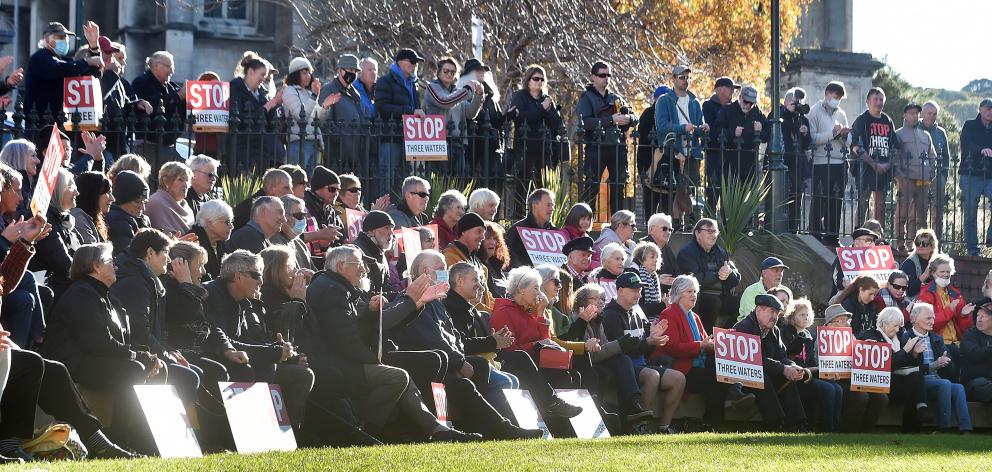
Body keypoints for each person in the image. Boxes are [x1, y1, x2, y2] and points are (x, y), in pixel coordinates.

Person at [301, 245, 482, 443]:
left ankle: (435, 428)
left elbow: (370, 325)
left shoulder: (343, 288)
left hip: (351, 357)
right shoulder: (331, 290)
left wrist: (413, 303)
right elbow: (346, 338)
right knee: (401, 373)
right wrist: (410, 301)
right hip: (337, 363)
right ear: (341, 266)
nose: (363, 270)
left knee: (428, 363)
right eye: (359, 264)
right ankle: (367, 428)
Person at [392, 251, 544, 439]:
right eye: (441, 269)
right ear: (425, 271)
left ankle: (495, 426)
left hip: (444, 360)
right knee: (467, 380)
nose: (445, 274)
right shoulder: (414, 301)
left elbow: (453, 337)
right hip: (426, 365)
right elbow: (431, 339)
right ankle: (499, 428)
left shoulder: (436, 302)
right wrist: (458, 362)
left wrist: (460, 359)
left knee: (480, 366)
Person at [43, 243, 171, 450]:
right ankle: (118, 439)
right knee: (134, 369)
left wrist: (144, 355)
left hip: (94, 358)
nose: (116, 267)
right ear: (96, 266)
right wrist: (137, 356)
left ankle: (147, 441)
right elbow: (98, 343)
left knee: (158, 366)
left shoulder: (104, 294)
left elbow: (118, 340)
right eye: (111, 262)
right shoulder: (81, 294)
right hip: (74, 363)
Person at [204, 250, 314, 431]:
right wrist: (272, 353)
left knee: (302, 373)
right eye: (256, 276)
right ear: (238, 276)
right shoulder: (212, 295)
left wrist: (282, 351)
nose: (261, 282)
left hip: (240, 358)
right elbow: (222, 340)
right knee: (260, 366)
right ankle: (255, 433)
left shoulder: (245, 301)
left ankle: (291, 437)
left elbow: (252, 340)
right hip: (215, 357)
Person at [109, 228, 203, 404]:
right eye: (166, 253)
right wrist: (166, 354)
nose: (168, 260)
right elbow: (139, 333)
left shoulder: (147, 279)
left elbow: (154, 330)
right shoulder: (134, 283)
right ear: (150, 253)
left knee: (195, 372)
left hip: (150, 351)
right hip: (136, 355)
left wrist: (168, 350)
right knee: (190, 377)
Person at [653, 275, 751, 428]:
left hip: (699, 364)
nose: (694, 295)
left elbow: (706, 342)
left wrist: (716, 343)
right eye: (689, 291)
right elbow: (672, 347)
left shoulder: (695, 317)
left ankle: (733, 393)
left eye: (695, 291)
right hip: (681, 367)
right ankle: (714, 421)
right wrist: (701, 346)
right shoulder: (669, 313)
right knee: (715, 378)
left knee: (721, 368)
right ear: (678, 293)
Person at [488, 266, 585, 420]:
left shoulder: (529, 311)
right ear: (521, 289)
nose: (540, 293)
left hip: (532, 360)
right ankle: (552, 402)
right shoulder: (504, 312)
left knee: (569, 374)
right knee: (526, 360)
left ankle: (566, 422)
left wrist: (540, 313)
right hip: (513, 361)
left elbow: (546, 343)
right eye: (535, 288)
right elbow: (510, 348)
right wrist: (535, 345)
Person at [598, 272, 685, 434]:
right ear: (620, 290)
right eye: (633, 290)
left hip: (641, 363)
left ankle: (664, 427)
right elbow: (623, 350)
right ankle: (639, 425)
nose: (638, 294)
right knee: (652, 376)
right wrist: (650, 341)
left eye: (639, 290)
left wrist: (655, 340)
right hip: (624, 368)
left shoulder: (638, 311)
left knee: (678, 378)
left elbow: (646, 346)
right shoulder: (610, 315)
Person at [733, 294, 808, 431]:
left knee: (787, 377)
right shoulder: (744, 327)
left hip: (765, 371)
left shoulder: (774, 330)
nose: (775, 316)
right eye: (771, 312)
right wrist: (783, 368)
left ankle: (796, 422)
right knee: (763, 376)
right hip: (742, 377)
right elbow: (753, 360)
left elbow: (782, 356)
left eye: (777, 313)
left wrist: (792, 366)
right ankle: (775, 421)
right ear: (758, 311)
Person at [855, 307, 931, 432]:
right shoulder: (870, 335)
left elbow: (909, 364)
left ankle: (913, 426)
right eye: (895, 326)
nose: (897, 330)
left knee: (915, 378)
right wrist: (905, 350)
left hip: (895, 382)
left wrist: (915, 354)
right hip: (878, 384)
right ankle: (920, 409)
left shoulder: (898, 338)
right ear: (884, 323)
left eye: (899, 327)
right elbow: (887, 363)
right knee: (912, 384)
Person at [900, 303, 972, 433]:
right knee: (945, 384)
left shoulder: (936, 338)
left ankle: (966, 429)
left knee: (959, 387)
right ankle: (944, 428)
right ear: (914, 319)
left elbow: (948, 366)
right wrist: (928, 362)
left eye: (933, 318)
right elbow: (908, 366)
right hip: (919, 382)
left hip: (937, 378)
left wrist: (946, 360)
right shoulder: (906, 337)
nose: (932, 321)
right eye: (928, 318)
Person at [577, 61, 636, 215]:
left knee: (618, 186)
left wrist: (627, 118)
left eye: (608, 75)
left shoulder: (615, 97)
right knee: (592, 186)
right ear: (593, 77)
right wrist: (611, 120)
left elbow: (635, 117)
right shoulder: (586, 98)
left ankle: (619, 223)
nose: (606, 78)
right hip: (596, 147)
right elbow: (585, 122)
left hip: (617, 148)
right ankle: (585, 221)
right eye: (602, 75)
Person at [654, 65, 707, 224]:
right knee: (675, 189)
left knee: (688, 189)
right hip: (673, 151)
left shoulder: (695, 101)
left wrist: (703, 129)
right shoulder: (664, 100)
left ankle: (683, 222)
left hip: (691, 152)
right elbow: (661, 126)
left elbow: (698, 127)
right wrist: (682, 128)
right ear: (674, 79)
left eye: (687, 78)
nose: (685, 81)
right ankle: (681, 221)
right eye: (682, 77)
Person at [780, 299, 843, 432]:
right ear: (792, 316)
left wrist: (824, 372)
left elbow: (811, 363)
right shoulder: (785, 333)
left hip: (808, 374)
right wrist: (818, 370)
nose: (806, 317)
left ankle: (835, 428)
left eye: (807, 314)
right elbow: (785, 358)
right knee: (829, 389)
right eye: (802, 314)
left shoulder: (808, 336)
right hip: (794, 377)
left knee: (837, 388)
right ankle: (826, 429)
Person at [23, 21, 102, 120]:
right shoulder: (40, 57)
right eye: (60, 37)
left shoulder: (65, 61)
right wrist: (86, 62)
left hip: (59, 123)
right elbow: (57, 69)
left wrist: (94, 45)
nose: (65, 40)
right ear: (47, 38)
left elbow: (93, 73)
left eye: (66, 37)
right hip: (39, 126)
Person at [374, 48, 426, 198]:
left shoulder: (413, 84)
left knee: (403, 178)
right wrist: (410, 111)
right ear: (400, 62)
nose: (415, 65)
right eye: (411, 62)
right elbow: (381, 107)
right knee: (387, 179)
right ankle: (384, 209)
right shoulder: (385, 81)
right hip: (391, 136)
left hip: (408, 138)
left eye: (416, 63)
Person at [806, 81, 851, 246]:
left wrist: (844, 135)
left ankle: (832, 236)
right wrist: (832, 134)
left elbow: (849, 141)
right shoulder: (813, 112)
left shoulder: (841, 113)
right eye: (834, 97)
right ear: (826, 94)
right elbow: (811, 139)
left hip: (839, 161)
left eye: (839, 98)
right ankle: (815, 233)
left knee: (836, 199)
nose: (836, 100)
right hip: (821, 161)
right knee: (820, 198)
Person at [423, 57, 484, 176]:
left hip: (458, 143)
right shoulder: (432, 87)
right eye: (446, 71)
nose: (449, 74)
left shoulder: (457, 91)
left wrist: (478, 96)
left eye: (452, 72)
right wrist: (467, 89)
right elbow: (444, 102)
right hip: (438, 143)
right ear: (439, 72)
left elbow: (470, 113)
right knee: (441, 182)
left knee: (457, 183)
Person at [676, 218, 739, 330]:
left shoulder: (721, 252)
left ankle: (725, 334)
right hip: (698, 296)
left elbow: (736, 279)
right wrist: (718, 275)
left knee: (740, 304)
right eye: (709, 231)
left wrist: (729, 273)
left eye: (715, 232)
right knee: (713, 302)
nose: (713, 235)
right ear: (697, 233)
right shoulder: (687, 252)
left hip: (721, 294)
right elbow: (694, 279)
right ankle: (706, 337)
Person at [508, 65, 565, 187]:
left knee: (545, 186)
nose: (539, 82)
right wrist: (541, 109)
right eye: (536, 78)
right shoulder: (519, 96)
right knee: (523, 186)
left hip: (544, 148)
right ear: (528, 80)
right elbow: (519, 118)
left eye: (542, 79)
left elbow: (557, 123)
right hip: (525, 147)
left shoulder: (546, 99)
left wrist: (547, 110)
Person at [850, 87, 899, 224]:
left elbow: (895, 147)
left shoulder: (887, 121)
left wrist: (887, 164)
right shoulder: (861, 121)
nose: (879, 102)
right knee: (863, 205)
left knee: (880, 207)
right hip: (865, 169)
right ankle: (859, 237)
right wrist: (873, 164)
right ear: (868, 102)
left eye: (881, 99)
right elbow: (856, 147)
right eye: (876, 99)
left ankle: (878, 238)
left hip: (884, 170)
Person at [228, 51, 285, 170]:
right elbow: (239, 119)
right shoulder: (235, 88)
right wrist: (267, 106)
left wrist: (275, 103)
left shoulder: (262, 94)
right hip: (243, 148)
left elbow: (270, 124)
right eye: (262, 74)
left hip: (261, 149)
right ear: (250, 72)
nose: (263, 79)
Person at [29, 168, 78, 301]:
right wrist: (90, 276)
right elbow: (62, 263)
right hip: (57, 291)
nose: (77, 192)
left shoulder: (63, 217)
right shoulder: (44, 219)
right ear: (57, 189)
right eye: (70, 186)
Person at [916, 254, 974, 366]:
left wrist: (963, 315)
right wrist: (950, 310)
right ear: (933, 273)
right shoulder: (926, 294)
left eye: (948, 271)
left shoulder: (955, 293)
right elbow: (930, 324)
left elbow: (965, 328)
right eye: (942, 271)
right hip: (939, 345)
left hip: (957, 344)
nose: (946, 274)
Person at [893, 103, 937, 250]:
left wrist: (931, 173)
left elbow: (932, 156)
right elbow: (895, 157)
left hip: (923, 180)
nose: (914, 116)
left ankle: (919, 244)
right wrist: (900, 177)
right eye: (911, 113)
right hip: (906, 179)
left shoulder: (925, 135)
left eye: (916, 113)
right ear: (905, 115)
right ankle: (899, 243)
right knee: (902, 213)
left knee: (921, 215)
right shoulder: (898, 134)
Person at [131, 50, 186, 163]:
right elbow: (154, 104)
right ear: (155, 65)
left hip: (167, 144)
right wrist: (178, 96)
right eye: (168, 66)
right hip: (148, 144)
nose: (172, 71)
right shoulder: (141, 82)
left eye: (172, 68)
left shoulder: (170, 86)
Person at [712, 85, 769, 189]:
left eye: (751, 103)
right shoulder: (727, 110)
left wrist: (760, 131)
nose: (748, 105)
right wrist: (732, 132)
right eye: (746, 101)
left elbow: (767, 135)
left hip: (750, 163)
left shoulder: (757, 113)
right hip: (730, 162)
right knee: (730, 196)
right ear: (740, 97)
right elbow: (717, 132)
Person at [459, 59, 508, 179]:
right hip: (472, 145)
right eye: (478, 70)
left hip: (490, 145)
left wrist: (508, 115)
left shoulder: (490, 95)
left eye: (483, 70)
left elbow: (496, 121)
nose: (482, 72)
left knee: (490, 178)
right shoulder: (461, 91)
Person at [319, 54, 367, 171]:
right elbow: (323, 119)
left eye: (355, 70)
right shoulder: (329, 90)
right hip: (336, 154)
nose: (353, 73)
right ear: (340, 71)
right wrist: (340, 137)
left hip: (354, 152)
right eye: (350, 70)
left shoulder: (355, 94)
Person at [774, 87, 812, 231]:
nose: (797, 105)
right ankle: (778, 227)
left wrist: (805, 133)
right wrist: (788, 111)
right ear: (787, 101)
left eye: (799, 102)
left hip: (798, 164)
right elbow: (781, 127)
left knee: (796, 196)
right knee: (780, 195)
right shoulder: (780, 115)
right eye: (794, 102)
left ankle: (793, 227)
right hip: (783, 161)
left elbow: (807, 145)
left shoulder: (804, 120)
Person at [443, 212, 495, 311]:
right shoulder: (449, 258)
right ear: (463, 232)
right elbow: (464, 296)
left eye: (483, 233)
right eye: (478, 231)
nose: (482, 237)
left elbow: (487, 297)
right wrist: (489, 315)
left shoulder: (479, 263)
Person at [960, 98, 992, 256]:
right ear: (980, 109)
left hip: (990, 175)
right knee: (970, 212)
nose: (990, 111)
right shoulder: (970, 125)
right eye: (987, 108)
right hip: (970, 174)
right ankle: (972, 249)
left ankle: (991, 237)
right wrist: (982, 150)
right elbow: (966, 144)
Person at [281, 56, 325, 172]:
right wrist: (314, 96)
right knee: (297, 179)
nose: (308, 76)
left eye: (309, 73)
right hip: (298, 143)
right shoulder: (290, 91)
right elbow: (301, 116)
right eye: (304, 72)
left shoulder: (309, 93)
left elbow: (317, 118)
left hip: (314, 142)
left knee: (311, 182)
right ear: (295, 74)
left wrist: (326, 106)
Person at [919, 101, 950, 239]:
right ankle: (919, 240)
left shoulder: (941, 132)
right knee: (920, 209)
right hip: (920, 176)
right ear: (922, 114)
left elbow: (947, 156)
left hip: (938, 176)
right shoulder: (915, 129)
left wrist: (944, 176)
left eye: (935, 114)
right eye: (929, 113)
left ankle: (937, 241)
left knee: (937, 211)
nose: (932, 116)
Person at [637, 85, 668, 221]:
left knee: (667, 199)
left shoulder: (670, 114)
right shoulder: (649, 113)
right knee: (650, 198)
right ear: (655, 99)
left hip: (666, 162)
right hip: (648, 160)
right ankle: (650, 225)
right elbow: (644, 137)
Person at [505, 188, 556, 268]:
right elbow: (510, 257)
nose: (552, 209)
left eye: (553, 205)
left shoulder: (555, 232)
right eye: (548, 205)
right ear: (534, 206)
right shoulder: (517, 230)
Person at [105, 170, 150, 255]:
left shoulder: (141, 219)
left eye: (145, 202)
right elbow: (131, 259)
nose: (143, 208)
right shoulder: (117, 223)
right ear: (123, 200)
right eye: (137, 202)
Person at [189, 199, 233, 280]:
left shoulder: (221, 243)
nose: (231, 226)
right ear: (210, 223)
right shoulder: (193, 243)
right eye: (227, 222)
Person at [146, 161, 194, 235]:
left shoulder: (187, 208)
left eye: (187, 180)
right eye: (180, 179)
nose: (185, 184)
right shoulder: (156, 203)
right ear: (166, 181)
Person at [273, 194, 317, 272]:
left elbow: (313, 271)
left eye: (304, 215)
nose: (303, 219)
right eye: (299, 215)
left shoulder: (298, 241)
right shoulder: (275, 244)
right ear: (285, 217)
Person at [641, 212, 680, 296]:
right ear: (651, 229)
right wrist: (657, 278)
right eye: (665, 228)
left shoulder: (667, 249)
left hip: (667, 295)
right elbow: (636, 273)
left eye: (670, 230)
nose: (668, 232)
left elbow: (676, 272)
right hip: (646, 296)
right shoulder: (642, 246)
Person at [961, 302, 992, 403]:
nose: (979, 319)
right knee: (983, 385)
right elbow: (974, 354)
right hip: (974, 383)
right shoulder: (969, 335)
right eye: (978, 315)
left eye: (984, 316)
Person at [0, 139, 40, 218]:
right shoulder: (12, 185)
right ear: (19, 157)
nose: (38, 161)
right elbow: (20, 221)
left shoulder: (27, 185)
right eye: (33, 156)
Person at [70, 171, 112, 244]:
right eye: (107, 193)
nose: (112, 199)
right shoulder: (78, 218)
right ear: (93, 194)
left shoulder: (93, 217)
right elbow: (93, 254)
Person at [901, 228, 938, 299]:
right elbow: (908, 291)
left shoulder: (935, 262)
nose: (920, 245)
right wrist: (925, 275)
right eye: (917, 243)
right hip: (913, 304)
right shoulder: (910, 263)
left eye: (924, 244)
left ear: (932, 247)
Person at [631, 241, 664, 319]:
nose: (656, 260)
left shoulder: (654, 277)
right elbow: (642, 308)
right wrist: (663, 305)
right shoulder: (636, 276)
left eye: (657, 257)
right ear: (641, 260)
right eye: (652, 257)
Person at [480, 221, 511, 298]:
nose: (492, 242)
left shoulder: (496, 265)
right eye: (487, 238)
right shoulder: (477, 265)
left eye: (495, 238)